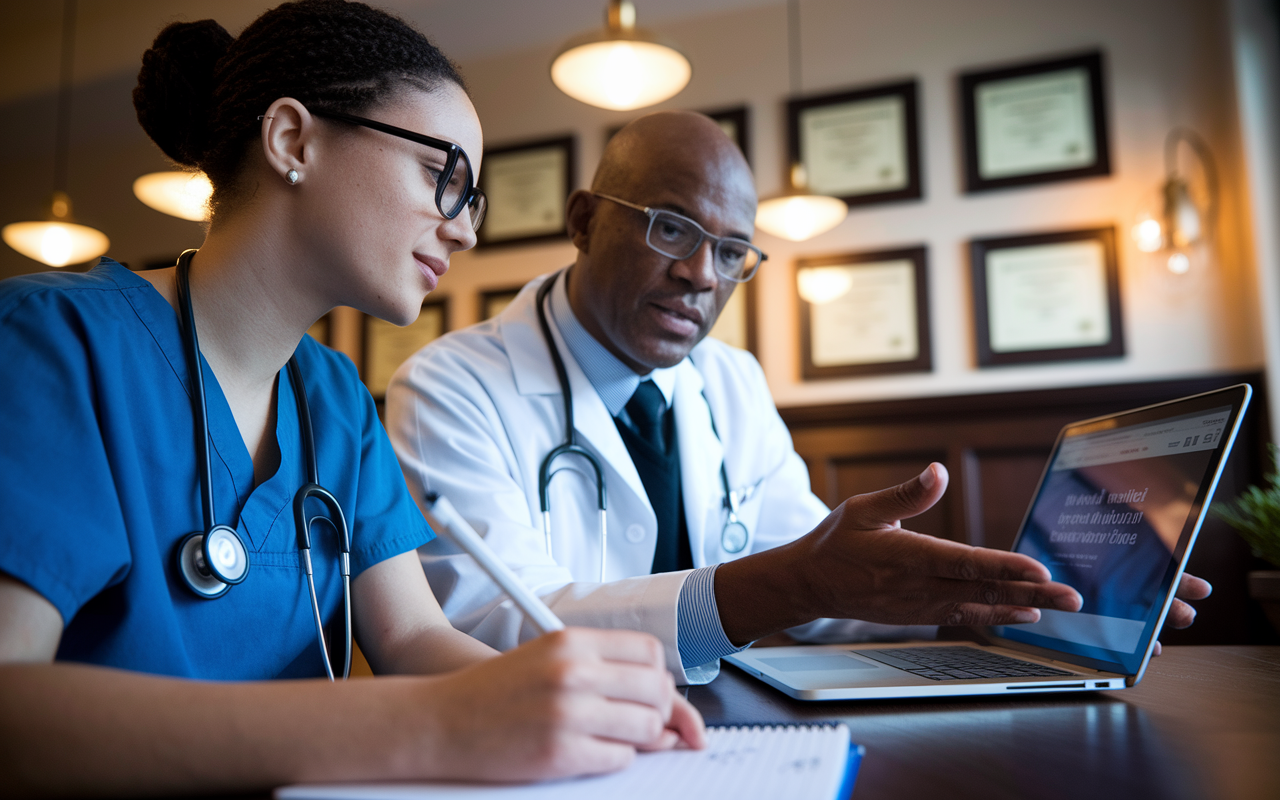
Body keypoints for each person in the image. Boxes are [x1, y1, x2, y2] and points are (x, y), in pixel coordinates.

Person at [0, 3, 703, 796]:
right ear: (293, 141)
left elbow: (413, 636)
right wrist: (439, 722)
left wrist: (566, 699)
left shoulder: (334, 398)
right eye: (446, 178)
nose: (465, 231)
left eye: (473, 201)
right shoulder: (49, 341)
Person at [385, 111, 1210, 685]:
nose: (701, 274)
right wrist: (796, 583)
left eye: (732, 249)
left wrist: (994, 602)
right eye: (670, 226)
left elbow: (827, 589)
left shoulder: (730, 382)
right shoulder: (453, 386)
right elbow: (489, 622)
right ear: (583, 220)